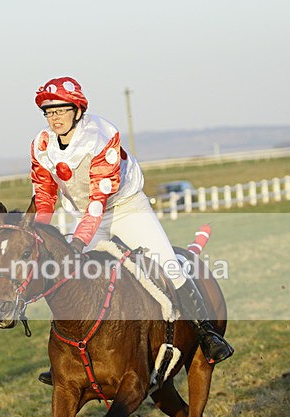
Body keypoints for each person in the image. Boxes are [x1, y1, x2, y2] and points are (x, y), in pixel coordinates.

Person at [29, 76, 233, 385]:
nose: (54, 117)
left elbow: (100, 199)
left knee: (169, 265)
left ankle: (206, 334)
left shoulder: (101, 135)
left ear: (77, 110)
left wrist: (78, 241)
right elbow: (44, 195)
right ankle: (64, 359)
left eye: (60, 110)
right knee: (66, 275)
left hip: (126, 208)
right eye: (48, 112)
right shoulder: (41, 145)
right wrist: (38, 234)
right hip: (84, 214)